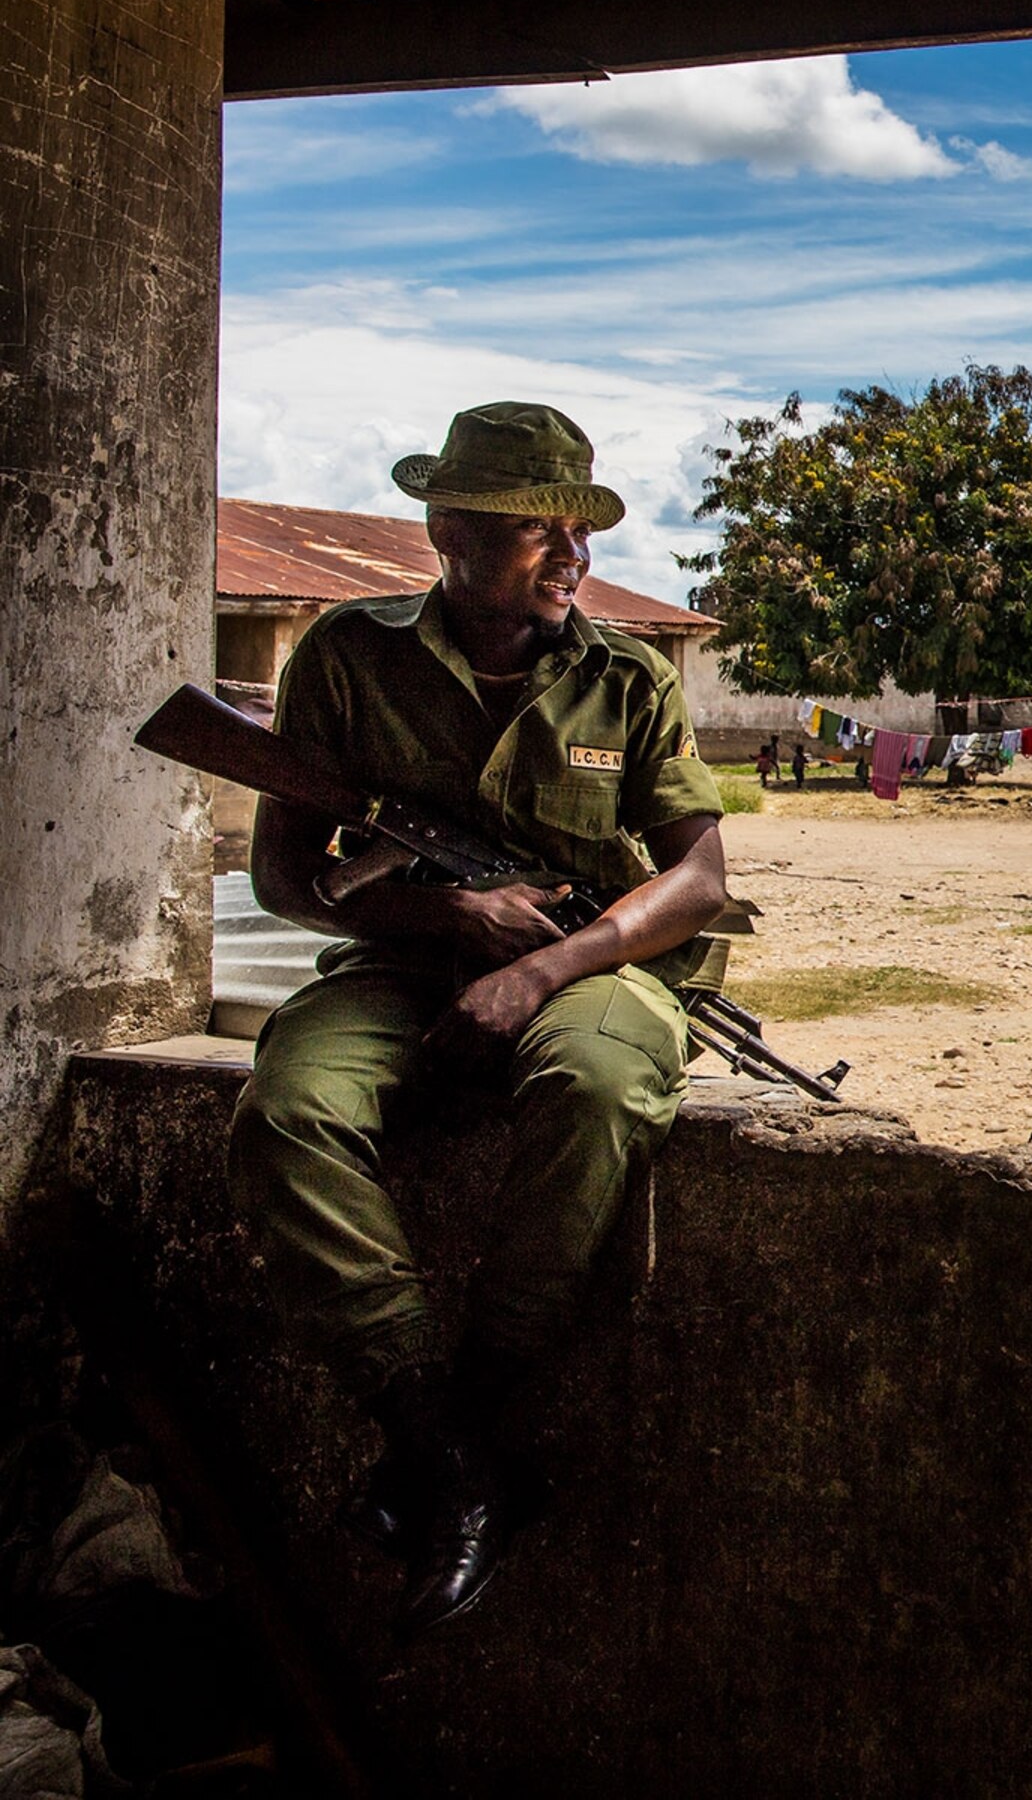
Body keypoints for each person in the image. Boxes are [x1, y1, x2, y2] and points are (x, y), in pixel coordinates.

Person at [230, 403, 728, 1637]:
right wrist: (448, 918)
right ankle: (447, 1451)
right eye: (532, 531)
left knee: (603, 1089)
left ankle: (476, 1413)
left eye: (578, 531)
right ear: (448, 531)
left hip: (588, 961)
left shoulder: (628, 671)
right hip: (402, 961)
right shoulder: (346, 656)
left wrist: (540, 963)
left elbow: (701, 879)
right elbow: (286, 876)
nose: (568, 556)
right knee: (287, 1110)